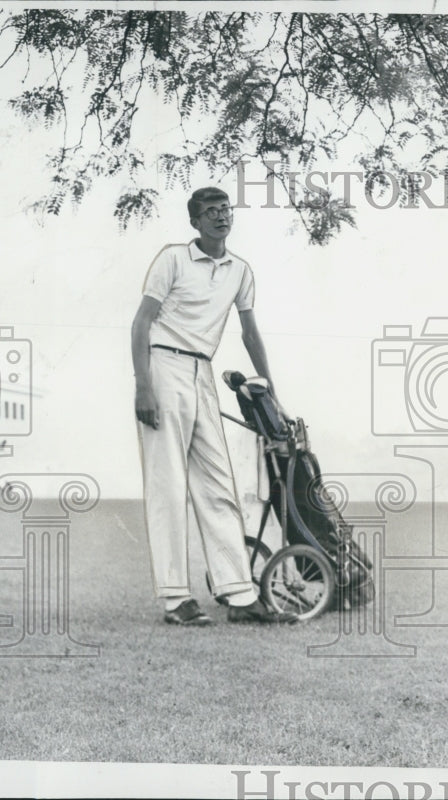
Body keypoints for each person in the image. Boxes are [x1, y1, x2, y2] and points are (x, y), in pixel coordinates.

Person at [131, 186, 294, 625]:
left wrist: (269, 385)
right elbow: (142, 322)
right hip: (163, 367)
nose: (221, 217)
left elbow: (249, 332)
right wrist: (142, 386)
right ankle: (174, 599)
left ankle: (239, 594)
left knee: (219, 483)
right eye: (211, 212)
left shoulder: (240, 270)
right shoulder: (172, 259)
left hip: (203, 373)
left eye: (226, 209)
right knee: (167, 484)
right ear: (195, 222)